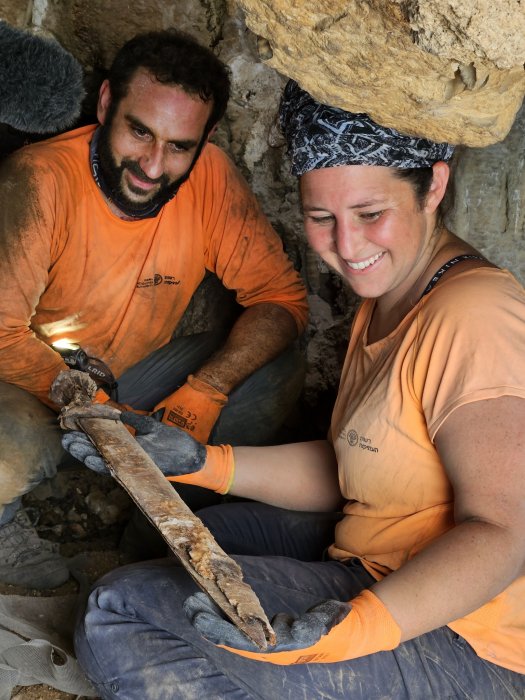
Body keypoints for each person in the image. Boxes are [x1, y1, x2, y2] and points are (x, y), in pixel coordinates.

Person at [64, 80, 525, 699]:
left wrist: (347, 635)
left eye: (370, 214)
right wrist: (197, 462)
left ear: (434, 187)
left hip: (470, 639)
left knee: (119, 612)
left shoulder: (474, 314)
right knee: (179, 535)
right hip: (370, 552)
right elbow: (356, 466)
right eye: (320, 218)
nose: (347, 246)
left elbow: (505, 532)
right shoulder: (393, 291)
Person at [0, 33, 308, 590]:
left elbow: (282, 300)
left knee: (276, 365)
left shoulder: (210, 176)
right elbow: (0, 336)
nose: (152, 164)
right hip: (32, 383)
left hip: (135, 382)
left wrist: (206, 390)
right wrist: (91, 405)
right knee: (3, 456)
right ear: (105, 105)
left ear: (205, 140)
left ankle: (154, 538)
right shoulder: (39, 178)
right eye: (139, 131)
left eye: (179, 146)